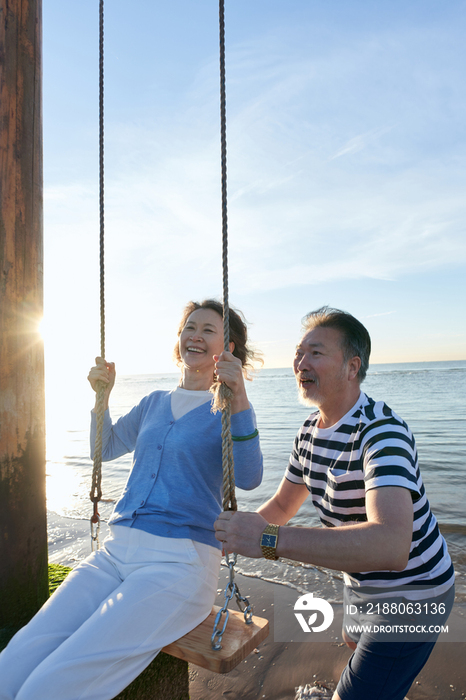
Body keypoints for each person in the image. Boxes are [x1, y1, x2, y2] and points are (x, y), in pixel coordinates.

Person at [0, 299, 263, 700]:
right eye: (189, 326)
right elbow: (102, 448)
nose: (195, 334)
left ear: (228, 350)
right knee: (17, 656)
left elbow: (249, 477)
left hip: (179, 565)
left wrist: (239, 394)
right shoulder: (153, 403)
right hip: (115, 553)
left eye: (208, 330)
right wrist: (102, 396)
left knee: (54, 681)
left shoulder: (228, 408)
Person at [215, 306, 455, 700]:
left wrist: (269, 541)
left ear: (351, 366)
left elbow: (391, 545)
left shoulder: (382, 433)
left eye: (316, 353)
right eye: (299, 351)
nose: (300, 362)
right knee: (352, 642)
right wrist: (231, 538)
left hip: (416, 594)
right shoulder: (309, 429)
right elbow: (280, 506)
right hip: (362, 584)